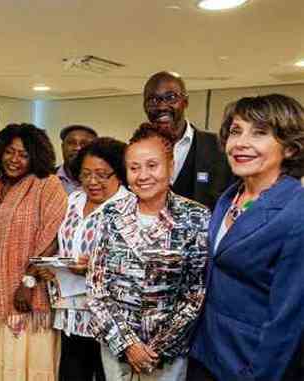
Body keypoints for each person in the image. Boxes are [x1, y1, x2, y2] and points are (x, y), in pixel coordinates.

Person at [189, 94, 304, 381]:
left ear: (289, 148)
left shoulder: (295, 212)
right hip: (205, 353)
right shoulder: (229, 197)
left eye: (260, 133)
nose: (240, 143)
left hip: (250, 365)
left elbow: (288, 320)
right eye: (235, 131)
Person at [87, 123, 210, 381]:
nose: (143, 175)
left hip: (167, 354)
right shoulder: (110, 215)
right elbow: (97, 290)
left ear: (170, 167)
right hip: (116, 348)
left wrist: (156, 349)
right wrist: (128, 344)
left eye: (152, 165)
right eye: (134, 168)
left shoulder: (196, 218)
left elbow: (196, 293)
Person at [0, 123, 67, 381]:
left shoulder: (47, 185)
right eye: (9, 152)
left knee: (24, 366)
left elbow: (52, 236)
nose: (14, 159)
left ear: (35, 156)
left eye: (23, 154)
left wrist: (27, 281)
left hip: (28, 296)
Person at [50, 137, 129, 381]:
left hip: (110, 317)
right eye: (85, 174)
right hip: (72, 312)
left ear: (119, 173)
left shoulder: (129, 208)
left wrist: (94, 268)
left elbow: (135, 265)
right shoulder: (73, 200)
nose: (92, 182)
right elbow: (60, 241)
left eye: (102, 175)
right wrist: (51, 263)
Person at [143, 71, 233, 209]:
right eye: (153, 100)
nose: (161, 106)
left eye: (171, 97)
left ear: (185, 101)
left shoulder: (220, 148)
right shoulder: (134, 154)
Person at [57, 124, 98, 194]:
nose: (77, 148)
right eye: (71, 143)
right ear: (62, 147)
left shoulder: (103, 182)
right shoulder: (45, 178)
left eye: (84, 144)